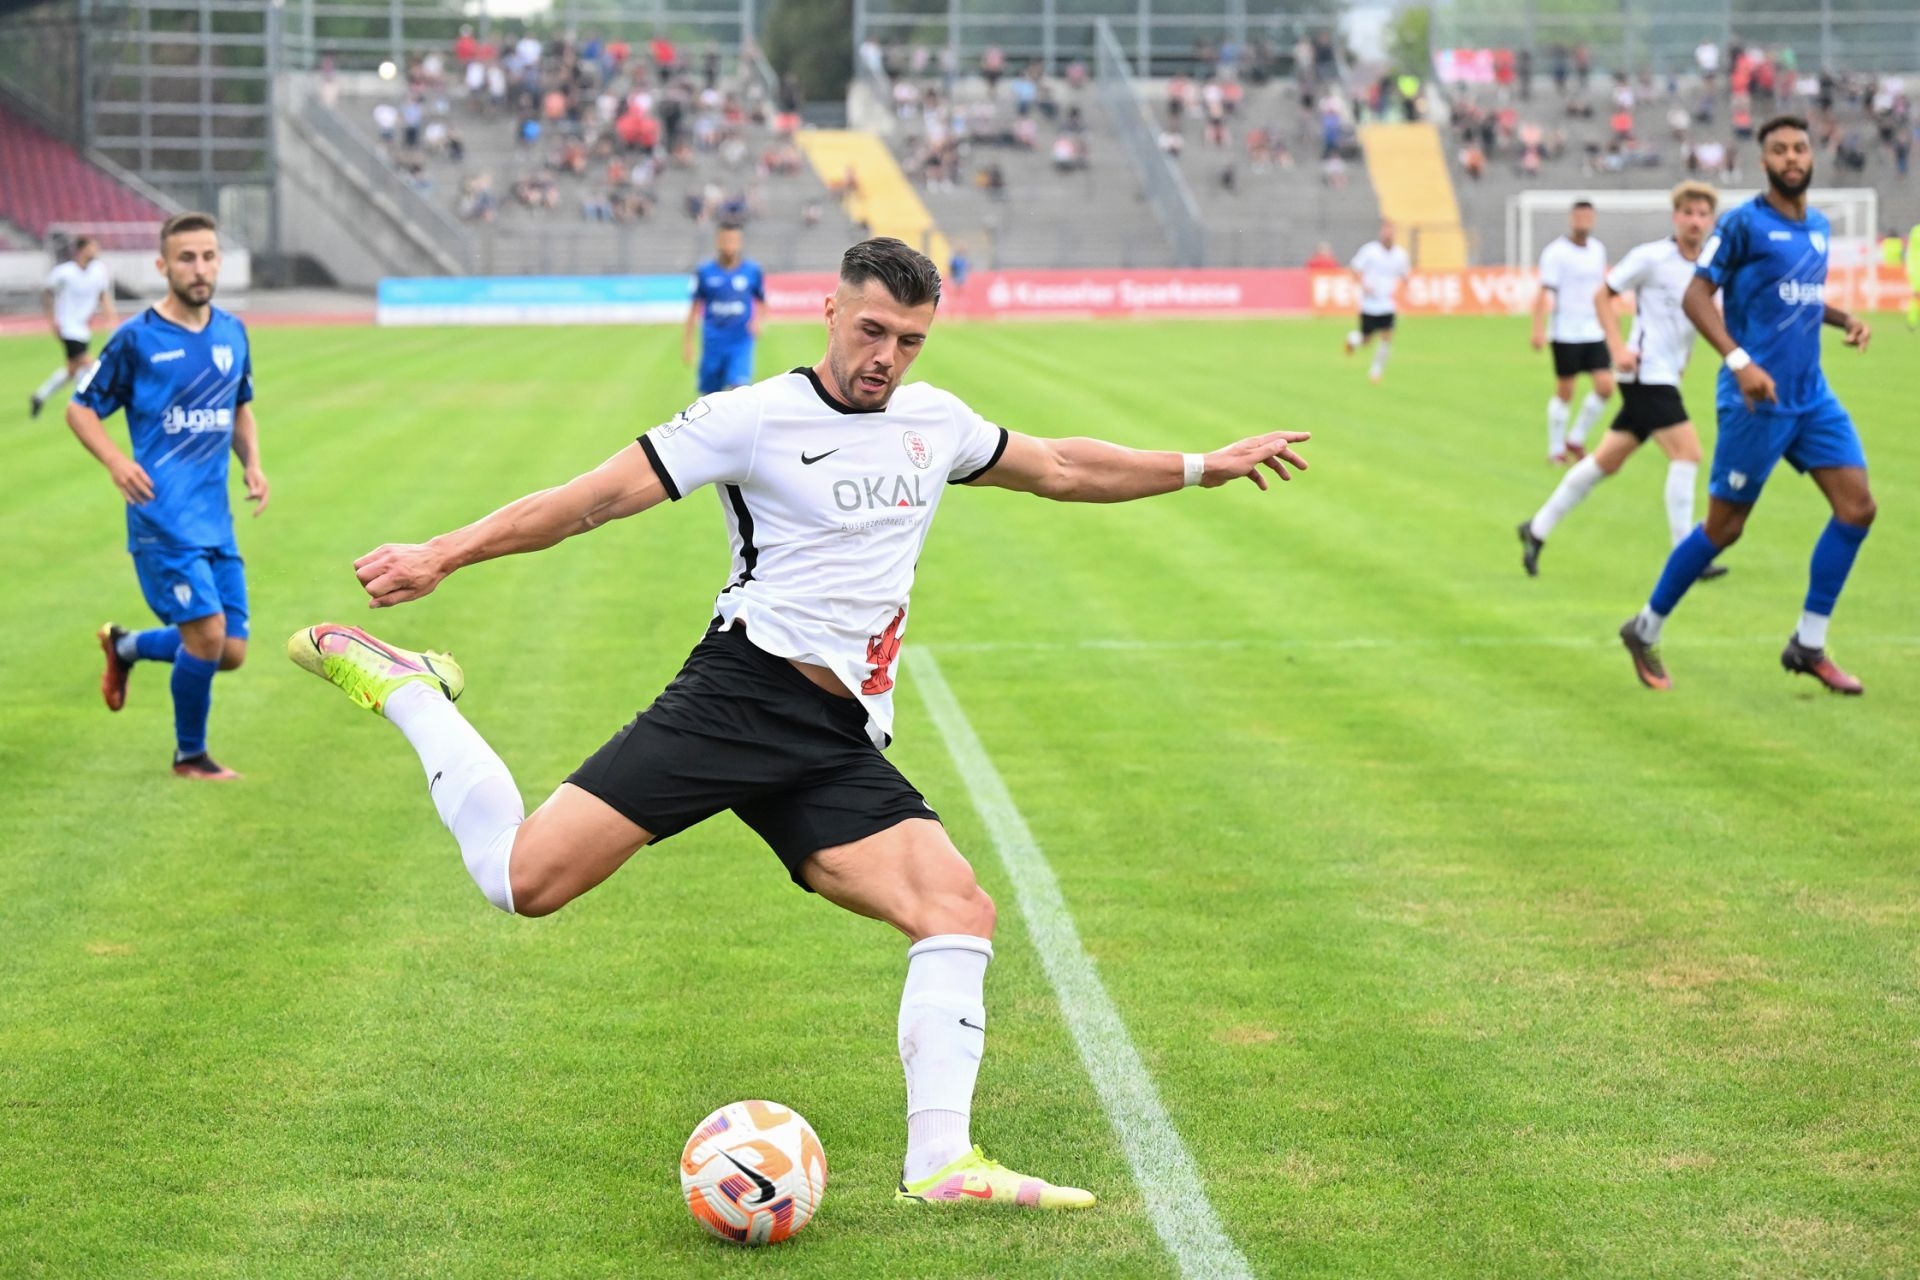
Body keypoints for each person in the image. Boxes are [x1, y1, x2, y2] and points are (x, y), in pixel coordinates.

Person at [286, 237, 1311, 1209]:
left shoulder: (936, 421)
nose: (887, 357)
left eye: (909, 340)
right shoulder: (751, 418)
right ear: (830, 310)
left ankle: (942, 1162)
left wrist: (1203, 466)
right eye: (871, 331)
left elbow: (1064, 466)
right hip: (739, 697)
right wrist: (443, 555)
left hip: (834, 736)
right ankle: (412, 691)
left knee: (956, 908)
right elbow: (592, 499)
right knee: (521, 881)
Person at [1618, 117, 1876, 694]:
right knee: (1724, 527)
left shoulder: (1818, 226)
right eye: (1779, 150)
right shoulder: (1741, 224)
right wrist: (1740, 362)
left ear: (1812, 156)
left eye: (1800, 148)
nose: (1791, 157)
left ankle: (1808, 644)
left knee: (1857, 508)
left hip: (1811, 397)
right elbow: (1695, 295)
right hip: (1754, 401)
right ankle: (1645, 627)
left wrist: (1844, 319)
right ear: (1764, 162)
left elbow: (1798, 298)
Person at [67, 212, 269, 778]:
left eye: (208, 256)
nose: (199, 268)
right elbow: (80, 408)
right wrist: (116, 462)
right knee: (206, 639)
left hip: (215, 521)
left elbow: (239, 407)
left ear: (219, 262)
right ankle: (190, 756)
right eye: (186, 258)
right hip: (161, 520)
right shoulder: (137, 339)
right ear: (163, 266)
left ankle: (125, 647)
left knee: (230, 651)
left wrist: (253, 464)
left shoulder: (232, 332)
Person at [1519, 182, 1729, 582]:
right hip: (1644, 374)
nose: (1695, 221)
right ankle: (1687, 557)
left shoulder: (1709, 268)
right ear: (1676, 216)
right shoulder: (1651, 257)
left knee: (1605, 462)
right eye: (1688, 213)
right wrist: (1617, 348)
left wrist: (1685, 364)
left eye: (1703, 214)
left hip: (1665, 376)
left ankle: (1537, 528)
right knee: (1688, 454)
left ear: (1711, 221)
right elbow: (1603, 295)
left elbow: (1699, 323)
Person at [1531, 201, 1613, 463]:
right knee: (1566, 390)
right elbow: (1544, 290)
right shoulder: (1556, 252)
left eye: (1587, 217)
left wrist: (1609, 322)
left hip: (1593, 329)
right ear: (1571, 219)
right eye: (1579, 217)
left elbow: (1601, 292)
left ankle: (1576, 438)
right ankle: (1556, 450)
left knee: (1606, 386)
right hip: (1565, 330)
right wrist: (1537, 328)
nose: (1583, 221)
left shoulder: (1598, 250)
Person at [30, 236, 117, 419]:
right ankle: (84, 405)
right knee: (90, 364)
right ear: (81, 250)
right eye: (92, 247)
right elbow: (47, 291)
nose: (96, 251)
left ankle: (39, 396)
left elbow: (103, 296)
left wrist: (111, 318)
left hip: (83, 328)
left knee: (72, 370)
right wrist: (52, 319)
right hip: (68, 326)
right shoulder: (64, 272)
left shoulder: (98, 270)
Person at [682, 222, 764, 394]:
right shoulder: (705, 272)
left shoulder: (752, 271)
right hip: (713, 342)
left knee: (741, 391)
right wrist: (688, 343)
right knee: (711, 396)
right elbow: (694, 308)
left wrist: (758, 321)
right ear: (718, 241)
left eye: (734, 240)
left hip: (740, 342)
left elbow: (762, 302)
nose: (729, 244)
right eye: (726, 240)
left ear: (740, 242)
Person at [1343, 220, 1411, 384]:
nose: (1388, 234)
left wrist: (1406, 285)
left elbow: (1405, 275)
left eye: (1391, 231)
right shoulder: (1370, 251)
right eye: (1386, 231)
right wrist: (1364, 285)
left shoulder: (1400, 255)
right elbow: (1355, 268)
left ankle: (1376, 371)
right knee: (1366, 340)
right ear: (1381, 232)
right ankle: (1352, 339)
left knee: (1387, 337)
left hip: (1387, 303)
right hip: (1370, 303)